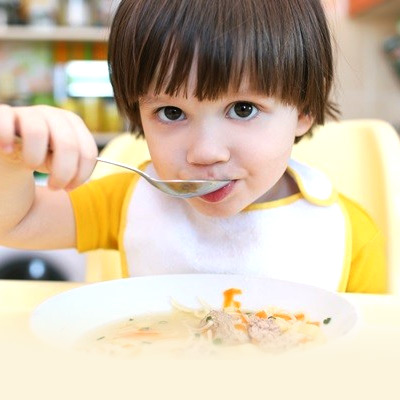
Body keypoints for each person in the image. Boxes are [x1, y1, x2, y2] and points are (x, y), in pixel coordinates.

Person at [0, 0, 386, 293]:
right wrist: (12, 157)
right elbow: (17, 223)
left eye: (243, 108)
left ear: (303, 107)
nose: (204, 152)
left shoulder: (348, 233)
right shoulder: (127, 201)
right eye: (171, 112)